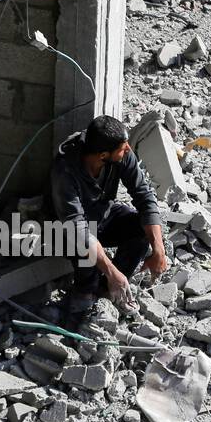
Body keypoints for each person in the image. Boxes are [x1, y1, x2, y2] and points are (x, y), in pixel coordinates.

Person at [50, 115, 168, 315]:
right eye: (123, 148)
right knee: (85, 249)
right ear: (103, 155)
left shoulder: (120, 152)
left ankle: (107, 291)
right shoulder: (65, 171)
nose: (129, 150)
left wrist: (159, 249)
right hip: (67, 231)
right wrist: (111, 270)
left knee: (140, 230)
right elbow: (77, 229)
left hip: (102, 215)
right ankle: (83, 297)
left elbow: (144, 196)